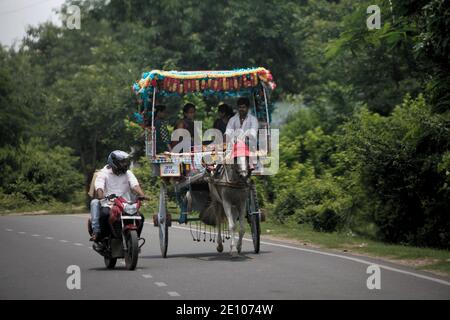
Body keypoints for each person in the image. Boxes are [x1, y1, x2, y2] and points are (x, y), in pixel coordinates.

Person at [89, 150, 147, 242]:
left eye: (125, 162)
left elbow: (135, 185)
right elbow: (99, 186)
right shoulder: (103, 173)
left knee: (141, 217)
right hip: (109, 203)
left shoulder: (128, 173)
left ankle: (134, 240)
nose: (125, 164)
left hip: (125, 203)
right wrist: (101, 195)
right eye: (122, 162)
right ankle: (100, 235)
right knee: (104, 214)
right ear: (114, 162)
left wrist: (142, 195)